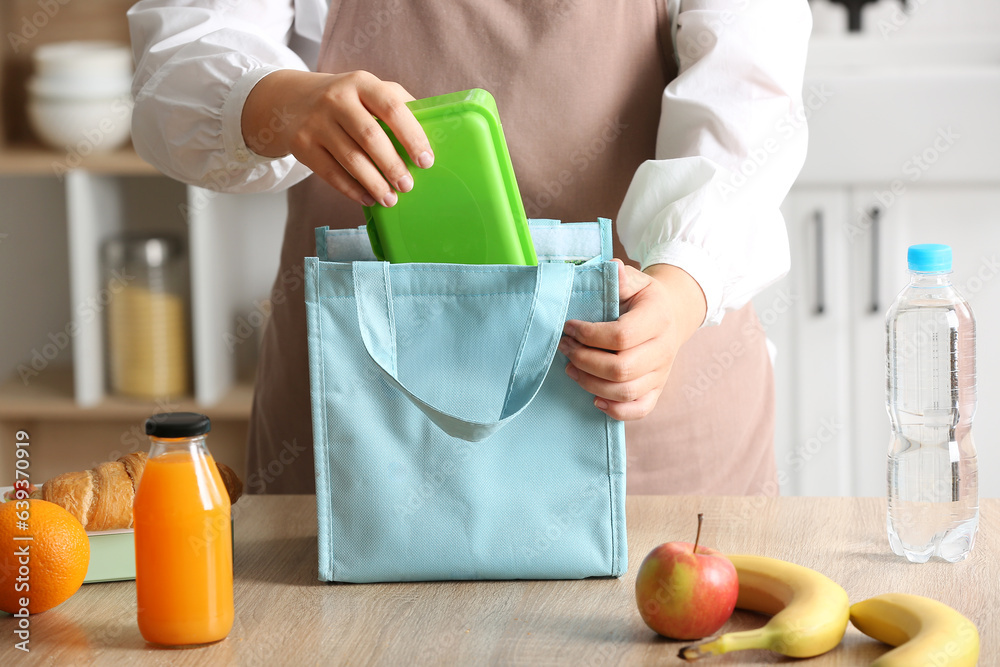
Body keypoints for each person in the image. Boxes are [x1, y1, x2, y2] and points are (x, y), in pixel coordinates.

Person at [128, 0, 811, 496]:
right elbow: (183, 57)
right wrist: (282, 101)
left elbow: (751, 90)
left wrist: (683, 285)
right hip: (368, 432)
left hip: (649, 417)